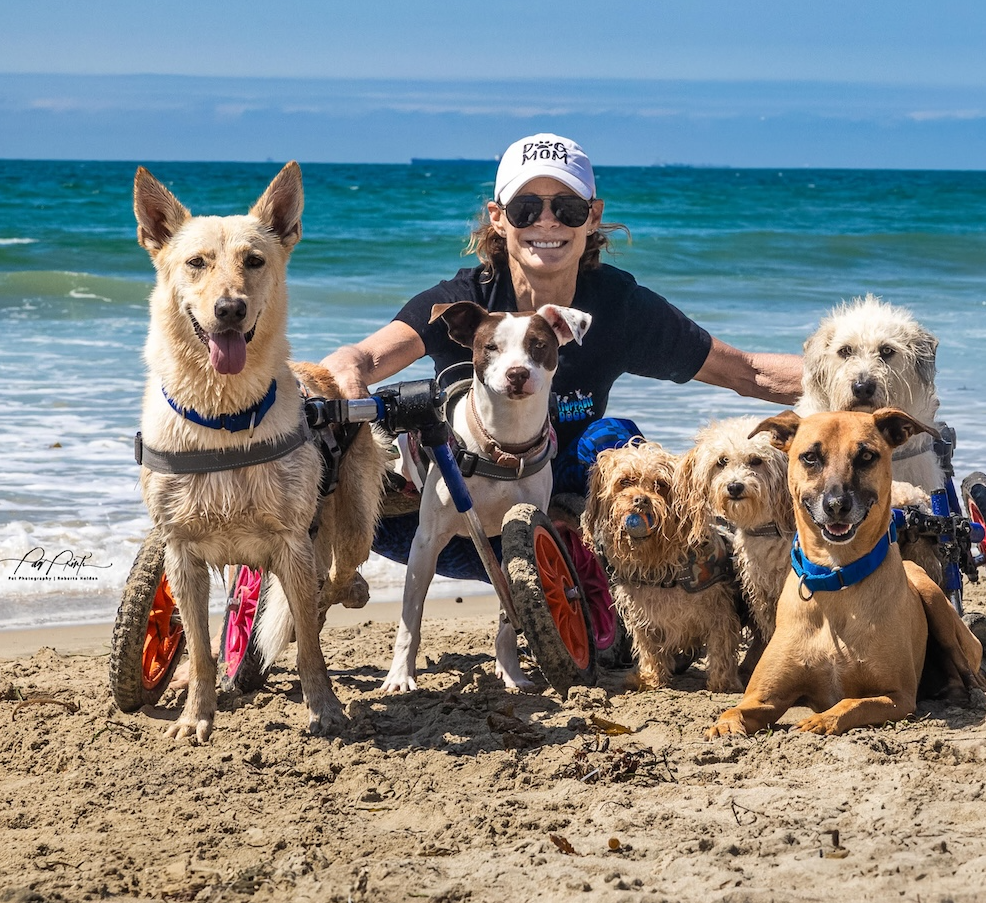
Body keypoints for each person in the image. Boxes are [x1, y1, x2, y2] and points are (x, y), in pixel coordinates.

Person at [323, 133, 802, 578]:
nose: (547, 221)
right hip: (452, 520)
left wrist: (844, 384)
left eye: (568, 208)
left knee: (615, 439)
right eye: (526, 208)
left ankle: (615, 583)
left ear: (592, 216)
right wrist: (346, 389)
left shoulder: (619, 307)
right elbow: (359, 359)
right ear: (498, 217)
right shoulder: (467, 306)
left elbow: (748, 373)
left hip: (566, 517)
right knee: (331, 475)